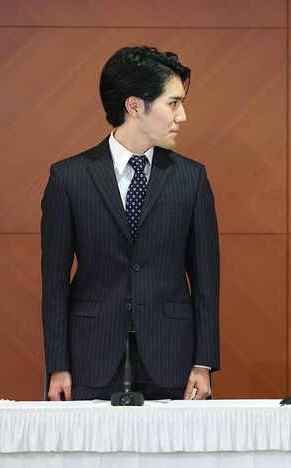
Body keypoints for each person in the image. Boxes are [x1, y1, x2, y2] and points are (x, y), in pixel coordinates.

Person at [41, 46, 219, 401]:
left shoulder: (192, 178)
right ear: (135, 106)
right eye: (173, 103)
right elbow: (54, 285)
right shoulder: (68, 177)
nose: (182, 115)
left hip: (173, 357)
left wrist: (204, 362)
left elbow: (206, 281)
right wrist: (57, 365)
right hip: (89, 355)